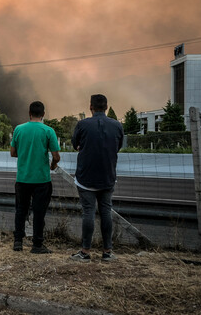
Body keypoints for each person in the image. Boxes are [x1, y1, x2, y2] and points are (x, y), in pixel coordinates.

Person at [70, 94, 124, 262]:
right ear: (106, 107)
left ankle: (85, 251)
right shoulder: (117, 125)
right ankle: (107, 251)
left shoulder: (82, 124)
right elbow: (119, 146)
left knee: (88, 212)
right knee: (106, 212)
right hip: (107, 176)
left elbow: (75, 144)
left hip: (86, 176)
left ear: (90, 107)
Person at [10, 101, 60, 253]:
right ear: (43, 114)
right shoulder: (48, 131)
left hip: (23, 178)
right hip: (42, 179)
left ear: (29, 114)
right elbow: (56, 156)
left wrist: (25, 153)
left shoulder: (19, 129)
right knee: (39, 213)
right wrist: (52, 166)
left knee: (21, 210)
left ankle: (18, 241)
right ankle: (37, 244)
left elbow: (13, 153)